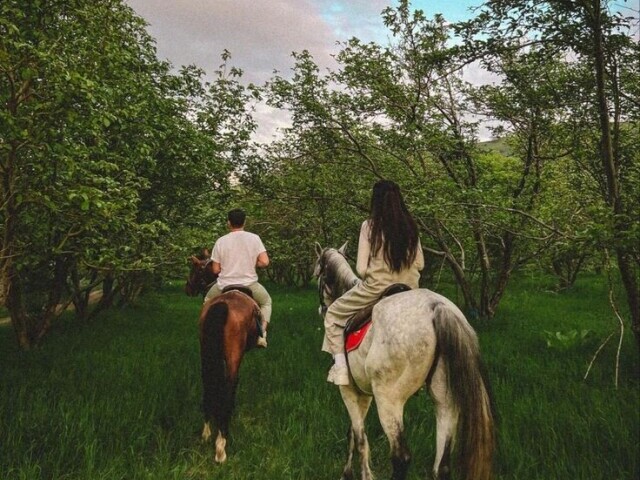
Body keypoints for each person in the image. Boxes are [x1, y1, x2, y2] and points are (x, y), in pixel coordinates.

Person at [322, 180, 424, 385]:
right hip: (411, 290)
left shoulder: (369, 226)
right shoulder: (411, 225)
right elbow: (420, 263)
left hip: (377, 288)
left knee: (333, 314)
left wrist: (378, 271)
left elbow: (360, 269)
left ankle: (340, 369)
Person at [204, 208, 272, 347]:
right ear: (244, 222)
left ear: (229, 223)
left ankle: (207, 333)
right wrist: (253, 263)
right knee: (266, 302)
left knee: (207, 301)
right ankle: (262, 335)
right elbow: (265, 262)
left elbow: (216, 269)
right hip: (249, 284)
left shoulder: (221, 241)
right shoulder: (254, 238)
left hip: (224, 284)